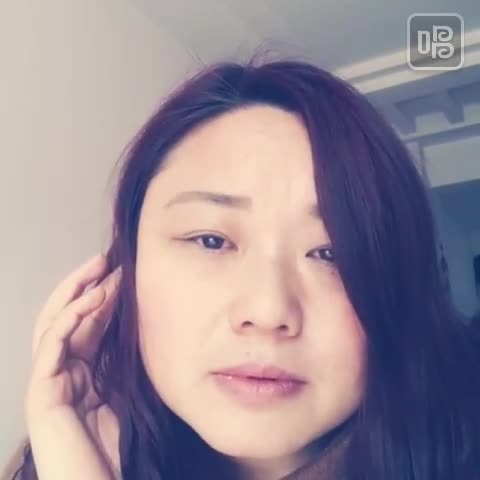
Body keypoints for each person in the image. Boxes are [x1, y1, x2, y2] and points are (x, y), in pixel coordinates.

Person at [3, 54, 480, 480]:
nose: (268, 311)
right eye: (211, 240)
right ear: (122, 273)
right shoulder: (57, 458)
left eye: (330, 253)